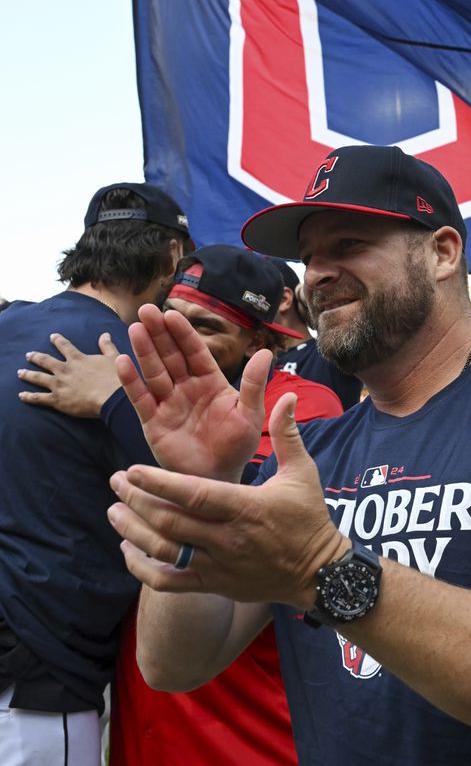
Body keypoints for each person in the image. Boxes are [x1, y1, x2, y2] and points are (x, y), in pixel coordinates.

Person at [107, 145, 471, 765]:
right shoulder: (313, 453)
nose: (317, 275)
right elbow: (175, 663)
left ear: (442, 252)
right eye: (308, 259)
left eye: (350, 245)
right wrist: (202, 481)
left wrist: (323, 570)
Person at [20, 244, 344, 766]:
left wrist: (113, 405)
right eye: (170, 320)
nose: (180, 339)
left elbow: (233, 509)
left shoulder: (302, 403)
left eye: (206, 327)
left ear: (258, 340)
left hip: (246, 733)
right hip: (146, 724)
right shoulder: (145, 393)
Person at [0, 181, 190, 765]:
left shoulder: (10, 327)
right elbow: (196, 500)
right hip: (35, 667)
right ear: (172, 258)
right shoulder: (134, 362)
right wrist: (116, 403)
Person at [269, 257, 364, 409]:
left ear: (284, 299)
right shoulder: (255, 361)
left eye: (252, 299)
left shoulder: (330, 351)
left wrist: (307, 292)